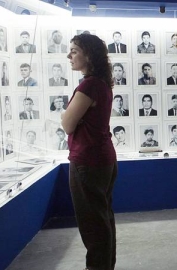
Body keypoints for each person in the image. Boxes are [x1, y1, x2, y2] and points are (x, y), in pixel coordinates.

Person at [61, 33, 118, 270]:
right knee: (102, 218)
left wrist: (66, 116)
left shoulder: (89, 85)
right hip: (102, 159)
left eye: (74, 50)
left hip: (88, 161)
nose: (69, 55)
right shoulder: (101, 84)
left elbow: (67, 124)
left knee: (92, 224)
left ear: (89, 54)